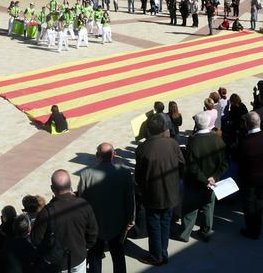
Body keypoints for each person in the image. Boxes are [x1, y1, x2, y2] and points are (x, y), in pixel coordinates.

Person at [135, 114, 185, 265]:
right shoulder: (173, 144)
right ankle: (163, 252)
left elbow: (139, 175)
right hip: (170, 193)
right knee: (165, 223)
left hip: (152, 195)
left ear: (148, 130)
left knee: (155, 226)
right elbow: (182, 166)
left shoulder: (143, 148)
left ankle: (157, 256)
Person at [77, 143, 135, 273]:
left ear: (97, 156)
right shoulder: (124, 172)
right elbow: (130, 199)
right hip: (118, 222)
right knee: (118, 254)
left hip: (95, 223)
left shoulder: (86, 175)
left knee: (95, 256)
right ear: (114, 155)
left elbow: (82, 202)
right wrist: (131, 218)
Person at [174, 111, 229, 242]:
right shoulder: (218, 140)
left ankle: (184, 234)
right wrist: (214, 177)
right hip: (212, 183)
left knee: (190, 209)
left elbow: (192, 167)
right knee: (208, 207)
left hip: (194, 183)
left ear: (196, 124)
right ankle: (206, 231)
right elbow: (225, 162)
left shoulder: (193, 142)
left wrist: (205, 180)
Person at [31, 169, 98, 273]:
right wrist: (83, 247)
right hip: (79, 259)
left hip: (55, 263)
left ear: (52, 188)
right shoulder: (84, 205)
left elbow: (36, 240)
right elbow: (93, 233)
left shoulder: (46, 212)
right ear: (70, 186)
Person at [234, 111, 263, 239]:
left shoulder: (246, 141)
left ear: (247, 124)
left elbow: (237, 157)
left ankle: (252, 230)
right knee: (259, 201)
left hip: (249, 177)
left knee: (249, 203)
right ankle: (257, 225)